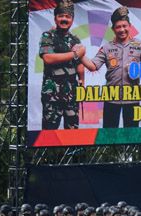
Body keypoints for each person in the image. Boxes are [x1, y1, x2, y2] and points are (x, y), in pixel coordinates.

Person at [79, 6, 141, 128]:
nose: (122, 30)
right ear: (113, 29)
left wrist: (137, 69)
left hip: (132, 97)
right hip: (111, 98)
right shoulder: (107, 48)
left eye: (124, 26)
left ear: (130, 26)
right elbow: (93, 66)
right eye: (118, 27)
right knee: (109, 133)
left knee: (131, 134)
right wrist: (79, 55)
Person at [38, 0, 84, 129]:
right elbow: (48, 58)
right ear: (55, 18)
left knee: (72, 133)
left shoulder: (75, 39)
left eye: (67, 16)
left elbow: (79, 65)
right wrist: (74, 54)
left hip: (72, 94)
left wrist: (82, 85)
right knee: (48, 134)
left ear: (72, 19)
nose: (64, 19)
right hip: (52, 93)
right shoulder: (48, 36)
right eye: (61, 16)